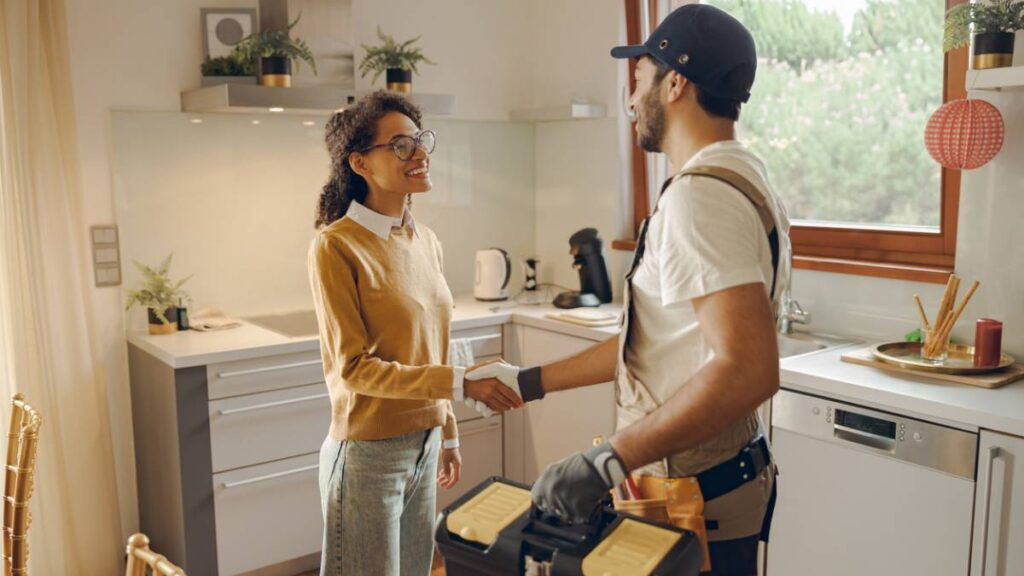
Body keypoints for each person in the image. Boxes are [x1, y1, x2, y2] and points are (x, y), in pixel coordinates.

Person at [466, 5, 793, 575]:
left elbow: (748, 370)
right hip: (712, 482)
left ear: (675, 82)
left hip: (698, 495)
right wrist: (529, 382)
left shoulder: (700, 198)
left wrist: (607, 461)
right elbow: (657, 349)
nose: (631, 100)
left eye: (638, 80)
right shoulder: (742, 174)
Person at [308, 91, 523, 576]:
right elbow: (354, 369)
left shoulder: (426, 241)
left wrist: (447, 432)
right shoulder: (335, 247)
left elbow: (436, 345)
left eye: (420, 141)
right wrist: (460, 384)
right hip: (366, 458)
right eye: (401, 146)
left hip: (424, 447)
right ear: (360, 162)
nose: (420, 154)